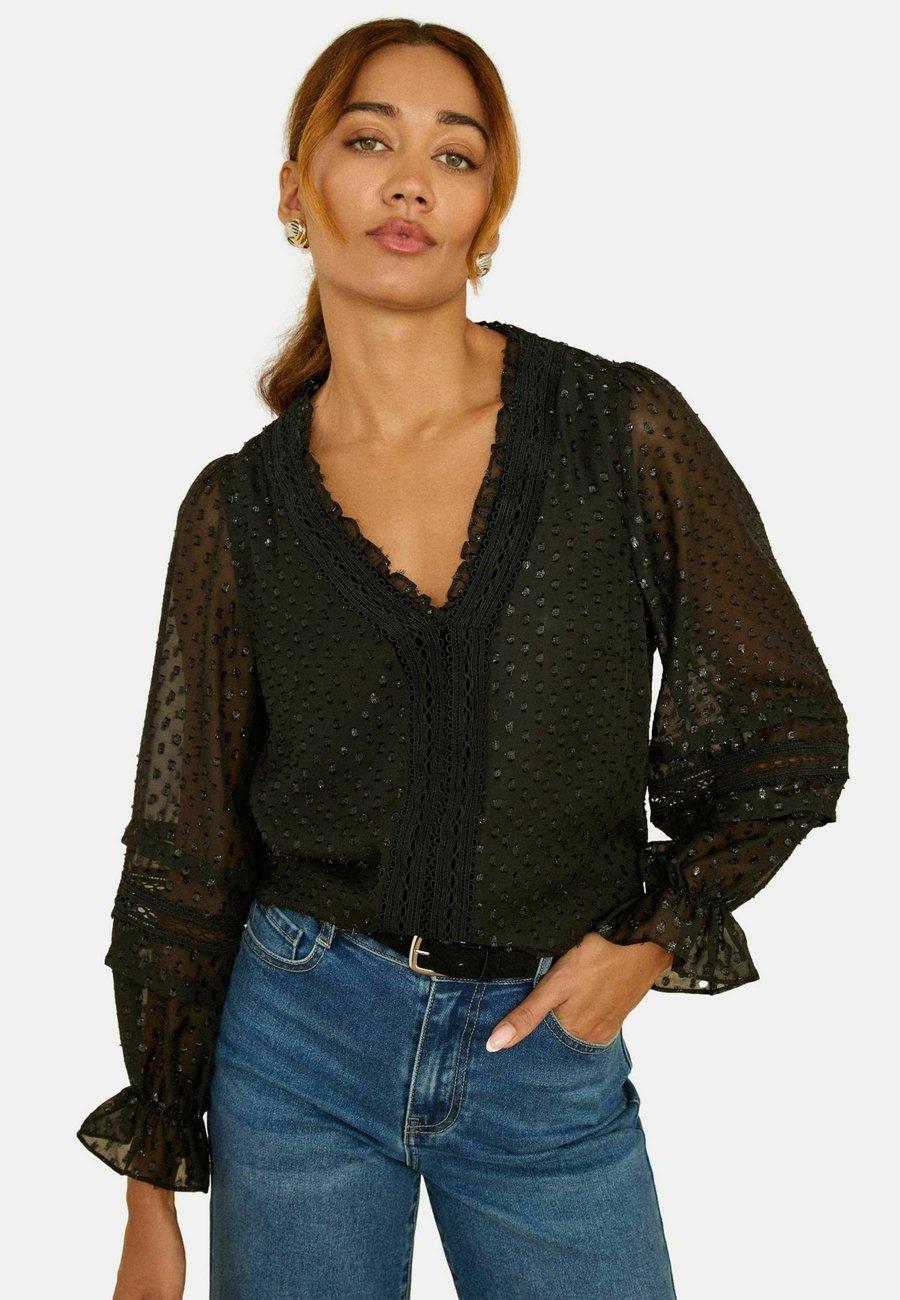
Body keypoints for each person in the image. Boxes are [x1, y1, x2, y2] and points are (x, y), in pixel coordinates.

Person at [76, 18, 850, 1300]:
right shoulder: (239, 510)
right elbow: (185, 847)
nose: (409, 183)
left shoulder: (616, 431)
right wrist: (148, 1191)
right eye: (368, 141)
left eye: (455, 154)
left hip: (544, 1052)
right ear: (295, 191)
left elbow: (782, 727)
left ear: (487, 212)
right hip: (294, 1048)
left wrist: (650, 938)